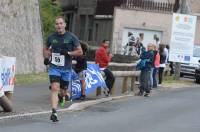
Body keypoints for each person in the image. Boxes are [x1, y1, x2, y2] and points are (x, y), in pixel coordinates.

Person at [43, 16, 83, 122]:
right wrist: (46, 58)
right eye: (57, 24)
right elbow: (46, 48)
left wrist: (69, 53)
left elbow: (80, 52)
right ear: (55, 26)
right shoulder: (51, 37)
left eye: (61, 23)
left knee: (63, 91)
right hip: (54, 67)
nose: (59, 25)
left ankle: (63, 96)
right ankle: (54, 112)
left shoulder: (71, 37)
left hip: (66, 69)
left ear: (65, 24)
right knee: (54, 88)